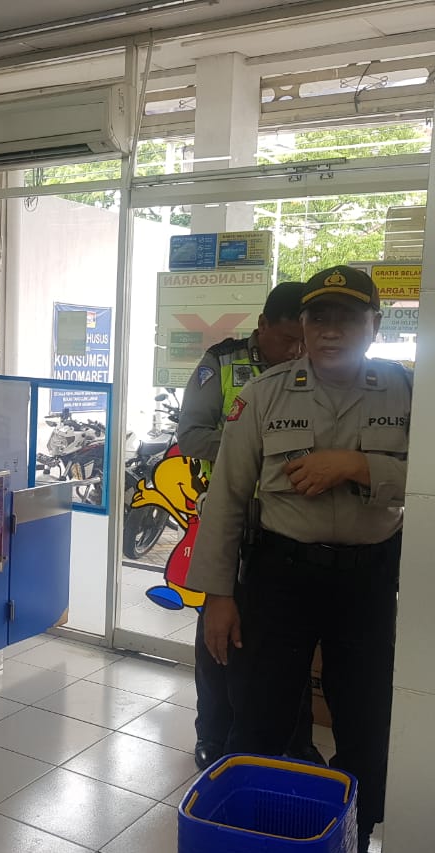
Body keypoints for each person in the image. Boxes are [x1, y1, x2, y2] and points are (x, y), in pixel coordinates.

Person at [186, 265, 411, 853]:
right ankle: (253, 847)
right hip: (280, 578)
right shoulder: (264, 395)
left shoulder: (409, 391)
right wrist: (218, 596)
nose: (329, 331)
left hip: (368, 581)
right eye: (318, 318)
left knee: (365, 722)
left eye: (346, 318)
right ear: (303, 327)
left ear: (375, 324)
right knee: (259, 717)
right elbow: (226, 499)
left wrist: (361, 466)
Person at [174, 281, 321, 770]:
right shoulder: (222, 363)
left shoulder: (316, 371)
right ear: (262, 326)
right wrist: (254, 448)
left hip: (291, 525)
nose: (295, 351)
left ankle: (295, 740)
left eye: (302, 340)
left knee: (291, 640)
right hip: (232, 522)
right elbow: (192, 435)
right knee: (219, 635)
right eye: (287, 338)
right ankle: (213, 734)